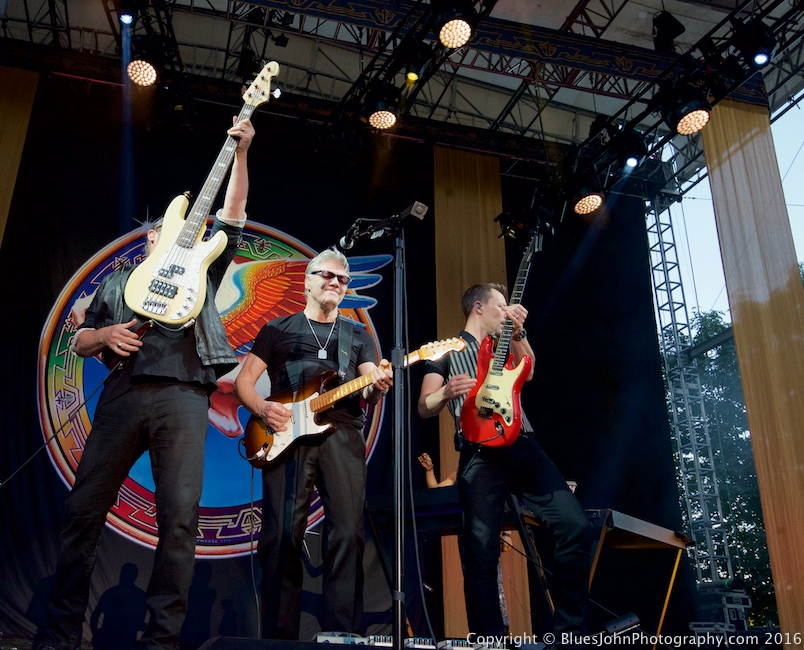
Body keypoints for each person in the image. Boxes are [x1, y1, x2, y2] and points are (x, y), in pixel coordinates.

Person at [34, 118, 255, 650]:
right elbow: (82, 341)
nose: (173, 237)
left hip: (185, 396)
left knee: (179, 521)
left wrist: (241, 152)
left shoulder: (203, 270)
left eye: (182, 232)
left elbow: (234, 215)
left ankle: (162, 641)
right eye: (161, 232)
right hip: (124, 394)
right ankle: (61, 635)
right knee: (83, 509)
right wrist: (106, 332)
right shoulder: (118, 283)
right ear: (149, 238)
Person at [417, 283, 591, 647]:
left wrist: (520, 330)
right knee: (479, 550)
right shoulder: (444, 350)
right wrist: (445, 393)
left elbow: (527, 372)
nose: (507, 311)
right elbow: (424, 405)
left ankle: (569, 635)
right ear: (479, 307)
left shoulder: (505, 344)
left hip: (524, 446)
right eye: (501, 306)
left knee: (575, 525)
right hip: (480, 455)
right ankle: (489, 640)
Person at [233, 248, 393, 640]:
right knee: (282, 534)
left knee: (347, 532)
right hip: (285, 432)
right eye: (328, 276)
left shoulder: (358, 336)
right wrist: (263, 408)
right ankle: (279, 635)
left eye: (343, 279)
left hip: (341, 431)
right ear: (307, 281)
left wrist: (378, 387)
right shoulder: (278, 329)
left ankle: (343, 634)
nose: (335, 283)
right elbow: (243, 382)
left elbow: (370, 385)